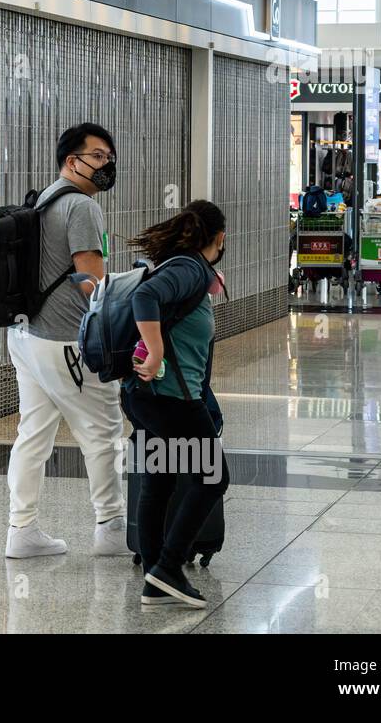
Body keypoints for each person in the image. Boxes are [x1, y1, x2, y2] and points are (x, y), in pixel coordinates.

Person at [4, 122, 130, 559]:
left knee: (32, 435)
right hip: (66, 343)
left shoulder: (42, 199)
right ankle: (111, 527)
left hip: (26, 337)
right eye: (97, 157)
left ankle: (21, 530)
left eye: (109, 159)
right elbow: (91, 283)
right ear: (71, 161)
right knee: (103, 432)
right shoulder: (81, 207)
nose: (105, 166)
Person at [121, 201, 230, 608]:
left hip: (149, 396)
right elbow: (145, 297)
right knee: (213, 478)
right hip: (171, 398)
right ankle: (167, 568)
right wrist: (154, 350)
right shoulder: (187, 268)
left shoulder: (179, 265)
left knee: (160, 480)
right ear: (219, 238)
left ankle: (155, 581)